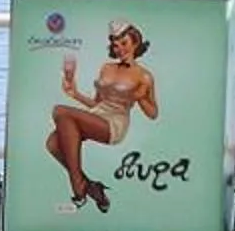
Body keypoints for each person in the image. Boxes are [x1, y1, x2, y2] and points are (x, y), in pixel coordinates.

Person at [47, 17, 157, 212]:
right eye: (116, 46)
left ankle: (78, 187)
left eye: (124, 44)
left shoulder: (144, 76)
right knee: (53, 144)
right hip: (97, 114)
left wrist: (140, 98)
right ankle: (91, 188)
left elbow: (153, 113)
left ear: (135, 42)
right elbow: (98, 103)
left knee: (60, 111)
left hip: (114, 123)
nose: (120, 49)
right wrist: (75, 94)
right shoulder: (106, 67)